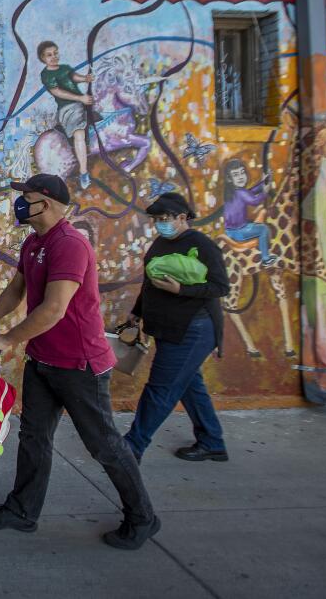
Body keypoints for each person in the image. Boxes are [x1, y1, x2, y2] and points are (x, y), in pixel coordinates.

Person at [0, 174, 159, 550]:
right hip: (43, 359)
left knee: (103, 444)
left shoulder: (71, 244)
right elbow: (17, 289)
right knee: (33, 437)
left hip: (79, 365)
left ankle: (143, 517)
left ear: (49, 202)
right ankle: (22, 511)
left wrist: (8, 339)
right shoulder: (34, 242)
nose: (20, 203)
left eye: (27, 196)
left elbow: (54, 308)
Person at [123, 192, 230, 463]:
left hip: (193, 328)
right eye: (157, 219)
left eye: (164, 218)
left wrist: (181, 289)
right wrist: (137, 312)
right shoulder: (161, 243)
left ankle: (132, 446)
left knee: (161, 387)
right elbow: (149, 282)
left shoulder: (202, 245)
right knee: (189, 384)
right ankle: (212, 441)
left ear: (182, 218)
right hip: (167, 326)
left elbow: (220, 287)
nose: (160, 223)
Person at [37, 41, 95, 190]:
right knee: (79, 134)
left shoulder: (64, 68)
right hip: (68, 108)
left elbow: (73, 77)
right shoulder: (46, 74)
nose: (54, 57)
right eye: (49, 55)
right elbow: (57, 92)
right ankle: (83, 172)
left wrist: (85, 78)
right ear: (43, 58)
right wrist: (80, 98)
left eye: (55, 53)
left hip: (82, 104)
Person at [222, 159, 278, 266]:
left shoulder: (233, 192)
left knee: (255, 223)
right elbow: (254, 201)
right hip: (238, 231)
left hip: (230, 230)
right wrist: (265, 191)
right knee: (263, 229)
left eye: (242, 172)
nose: (241, 177)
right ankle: (265, 258)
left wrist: (264, 181)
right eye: (236, 175)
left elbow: (252, 191)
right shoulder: (240, 192)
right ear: (229, 179)